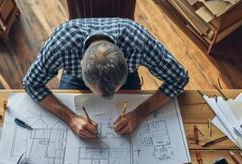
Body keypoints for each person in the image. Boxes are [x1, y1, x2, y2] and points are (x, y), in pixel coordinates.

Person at [23, 18, 189, 138]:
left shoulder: (138, 42)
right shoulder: (62, 44)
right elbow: (31, 83)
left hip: (124, 77)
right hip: (76, 79)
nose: (109, 99)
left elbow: (179, 78)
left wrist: (139, 113)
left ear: (126, 61)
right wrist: (70, 118)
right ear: (81, 64)